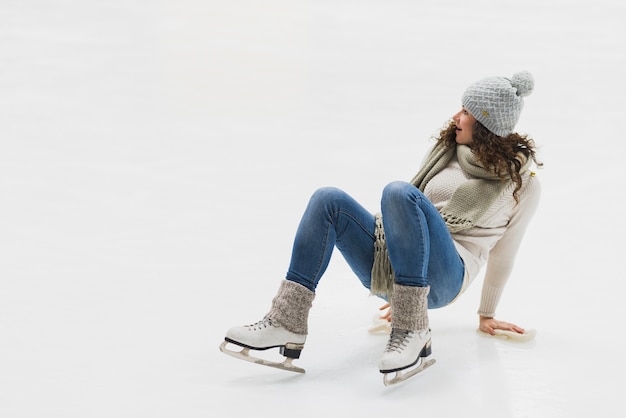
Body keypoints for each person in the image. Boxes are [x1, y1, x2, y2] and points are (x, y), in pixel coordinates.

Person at [220, 71, 542, 384]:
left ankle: (412, 328)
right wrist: (403, 278)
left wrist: (486, 313)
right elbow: (410, 224)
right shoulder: (447, 152)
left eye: (467, 112)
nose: (457, 116)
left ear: (487, 123)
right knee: (328, 200)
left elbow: (504, 252)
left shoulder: (520, 184)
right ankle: (286, 320)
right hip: (400, 269)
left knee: (399, 192)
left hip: (448, 274)